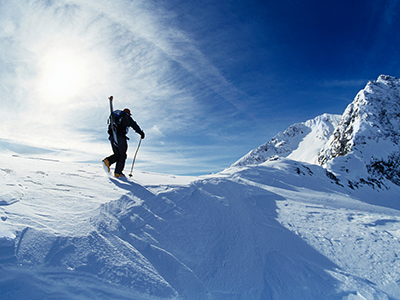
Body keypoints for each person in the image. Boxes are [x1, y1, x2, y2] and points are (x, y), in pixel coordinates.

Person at [103, 108, 145, 177]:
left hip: (112, 137)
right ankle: (118, 173)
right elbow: (134, 125)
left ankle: (108, 161)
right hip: (120, 137)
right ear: (128, 113)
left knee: (117, 154)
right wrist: (141, 133)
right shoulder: (126, 117)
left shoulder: (115, 118)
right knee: (122, 154)